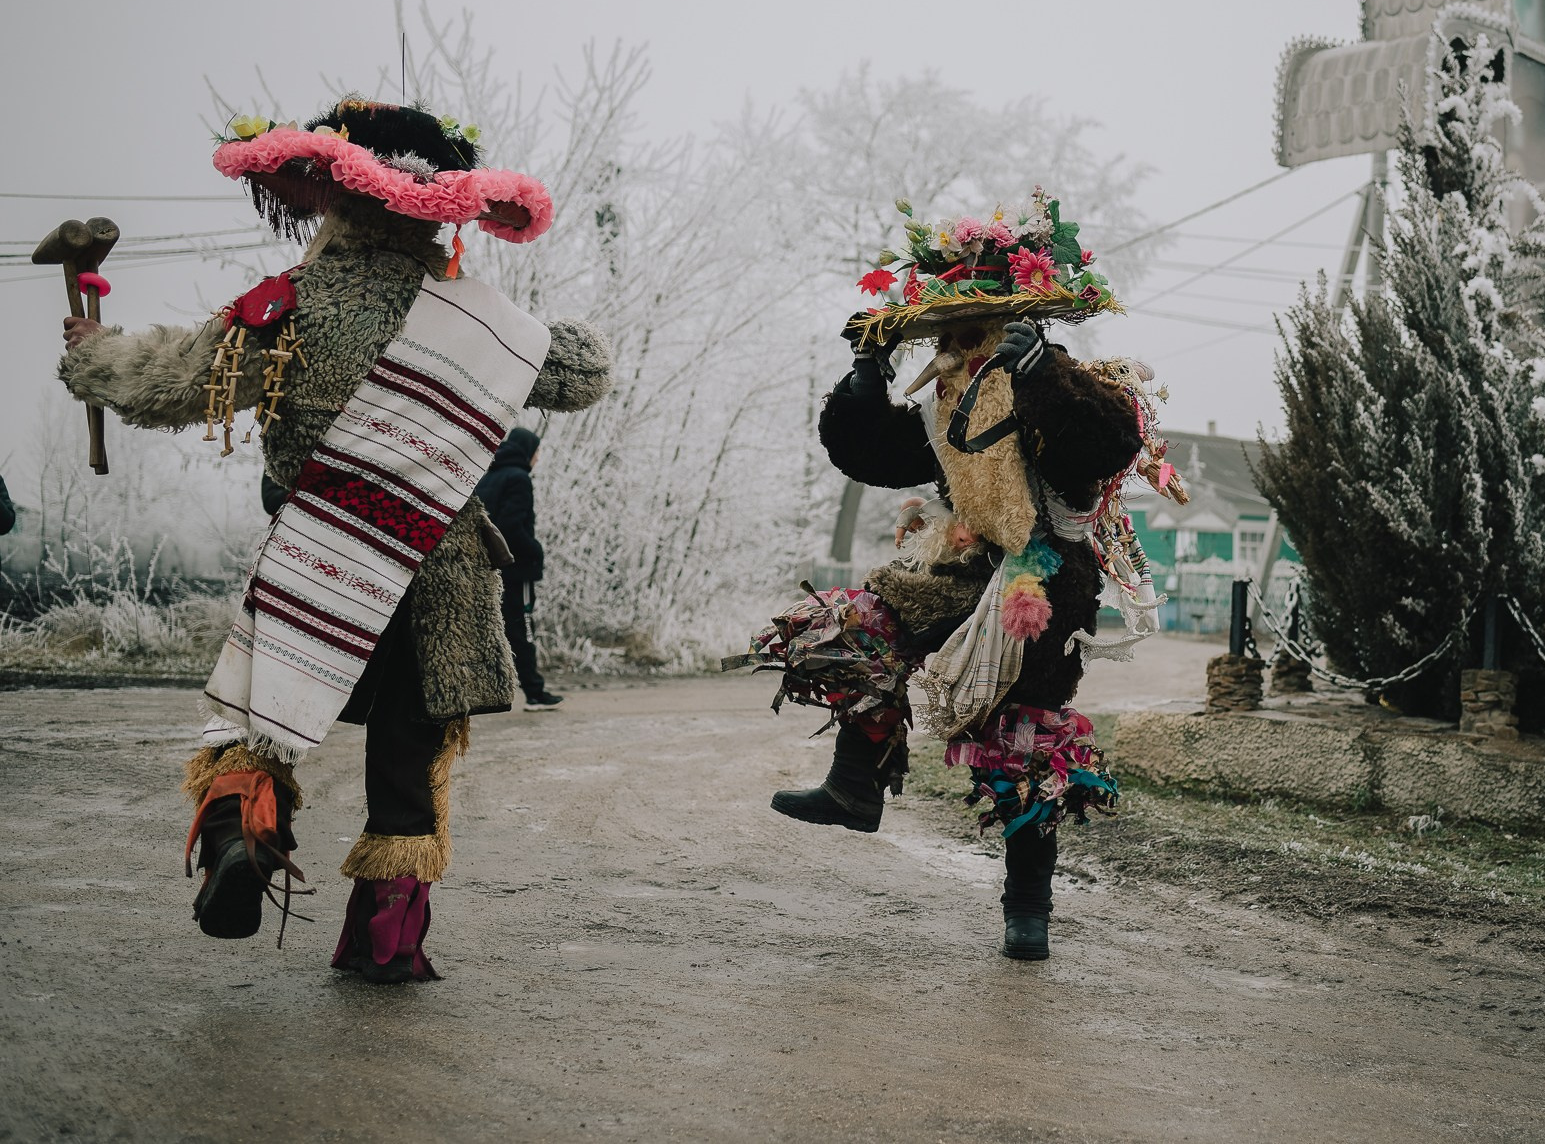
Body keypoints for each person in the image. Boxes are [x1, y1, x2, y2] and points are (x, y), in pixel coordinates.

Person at [57, 97, 612, 981]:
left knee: (260, 718)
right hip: (439, 573)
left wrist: (92, 352)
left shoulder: (289, 304)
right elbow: (584, 370)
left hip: (320, 555)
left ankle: (244, 833)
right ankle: (384, 943)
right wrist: (518, 325)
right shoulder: (483, 321)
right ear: (442, 205)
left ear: (337, 196)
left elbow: (168, 381)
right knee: (407, 758)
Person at [734, 189, 1185, 961]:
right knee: (859, 623)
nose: (953, 342)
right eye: (945, 331)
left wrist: (1043, 374)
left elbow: (1106, 444)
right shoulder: (949, 398)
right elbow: (877, 453)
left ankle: (1028, 906)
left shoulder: (1054, 375)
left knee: (1026, 742)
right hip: (962, 566)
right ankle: (856, 783)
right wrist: (862, 383)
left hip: (1045, 585)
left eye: (968, 326)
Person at [472, 427, 561, 710]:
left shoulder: (489, 476)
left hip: (487, 568)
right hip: (517, 568)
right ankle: (535, 692)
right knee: (522, 628)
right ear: (527, 451)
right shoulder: (519, 478)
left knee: (492, 629)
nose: (538, 458)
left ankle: (484, 692)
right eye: (536, 452)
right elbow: (511, 526)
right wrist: (535, 551)